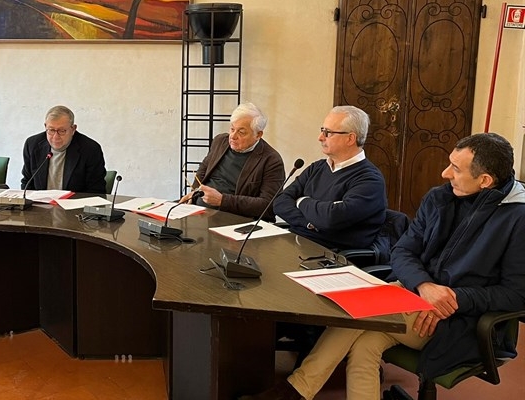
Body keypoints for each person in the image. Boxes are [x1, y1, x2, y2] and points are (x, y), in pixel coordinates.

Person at [248, 132, 525, 400]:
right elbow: (403, 250)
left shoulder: (517, 218)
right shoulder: (439, 198)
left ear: (485, 180)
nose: (445, 173)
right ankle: (295, 391)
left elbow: (516, 293)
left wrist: (454, 299)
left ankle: (294, 392)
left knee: (359, 313)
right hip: (412, 294)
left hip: (459, 320)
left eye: (455, 168)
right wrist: (424, 286)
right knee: (365, 347)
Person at [273, 105, 387, 252]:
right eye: (322, 131)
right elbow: (280, 201)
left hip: (333, 255)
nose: (320, 138)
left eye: (328, 133)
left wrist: (301, 200)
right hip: (297, 241)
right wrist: (309, 223)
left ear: (350, 138)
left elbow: (331, 218)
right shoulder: (317, 167)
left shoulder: (370, 179)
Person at [179, 102, 285, 220]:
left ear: (258, 135)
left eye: (241, 132)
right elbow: (203, 169)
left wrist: (222, 200)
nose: (233, 136)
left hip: (235, 218)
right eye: (232, 129)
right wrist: (194, 193)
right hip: (199, 211)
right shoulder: (220, 141)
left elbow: (268, 206)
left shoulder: (271, 160)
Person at [21, 105, 106, 194]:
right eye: (51, 130)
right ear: (45, 126)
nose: (55, 136)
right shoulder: (32, 145)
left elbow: (96, 191)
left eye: (62, 131)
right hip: (40, 205)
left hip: (74, 205)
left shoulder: (90, 149)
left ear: (73, 129)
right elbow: (27, 183)